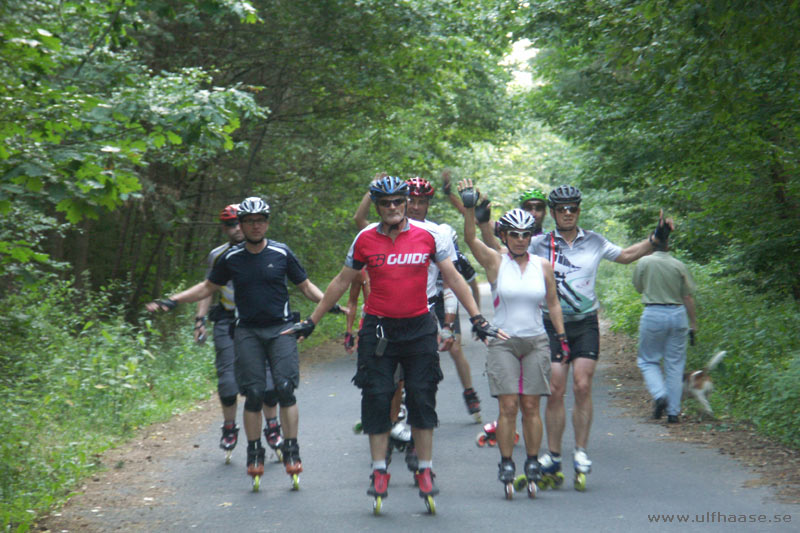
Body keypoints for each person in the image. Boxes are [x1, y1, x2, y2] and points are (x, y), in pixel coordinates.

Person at [282, 176, 506, 513]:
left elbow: (453, 277)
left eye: (397, 202)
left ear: (405, 203)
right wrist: (312, 321)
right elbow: (342, 281)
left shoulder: (428, 236)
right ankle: (379, 471)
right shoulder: (364, 238)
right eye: (385, 203)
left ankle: (426, 469)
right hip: (379, 329)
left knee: (421, 395)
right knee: (377, 396)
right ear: (377, 206)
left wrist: (477, 318)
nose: (392, 208)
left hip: (418, 327)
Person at [146, 196, 335, 490]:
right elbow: (207, 288)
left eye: (260, 220)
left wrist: (330, 304)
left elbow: (306, 286)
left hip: (281, 330)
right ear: (242, 225)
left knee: (285, 389)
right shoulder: (230, 259)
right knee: (254, 393)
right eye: (249, 221)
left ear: (267, 223)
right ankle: (254, 450)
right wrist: (173, 301)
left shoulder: (281, 253)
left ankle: (292, 447)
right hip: (246, 331)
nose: (255, 226)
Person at [527, 185, 672, 491]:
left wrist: (655, 239)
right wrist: (480, 220)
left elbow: (627, 255)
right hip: (550, 323)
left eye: (573, 208)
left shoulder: (593, 240)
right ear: (553, 213)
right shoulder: (539, 243)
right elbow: (501, 253)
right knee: (554, 389)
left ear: (579, 210)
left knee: (582, 384)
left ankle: (580, 451)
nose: (568, 213)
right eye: (562, 209)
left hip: (585, 323)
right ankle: (553, 455)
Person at [459, 179, 568, 498]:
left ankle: (532, 462)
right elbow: (469, 238)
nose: (520, 240)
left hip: (536, 340)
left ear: (531, 236)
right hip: (503, 342)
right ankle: (507, 463)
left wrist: (561, 337)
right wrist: (469, 208)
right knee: (508, 406)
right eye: (514, 235)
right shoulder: (496, 261)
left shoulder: (542, 265)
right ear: (504, 236)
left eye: (526, 234)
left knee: (531, 405)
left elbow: (552, 303)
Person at [353, 176, 484, 422]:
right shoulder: (385, 228)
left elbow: (453, 282)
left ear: (428, 205)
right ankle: (394, 418)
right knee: (397, 371)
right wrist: (371, 191)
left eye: (420, 202)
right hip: (399, 305)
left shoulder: (438, 233)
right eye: (410, 201)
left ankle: (468, 391)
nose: (414, 207)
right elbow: (360, 222)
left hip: (434, 300)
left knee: (452, 346)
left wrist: (450, 323)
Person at [192, 204, 283, 462]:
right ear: (225, 228)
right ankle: (230, 427)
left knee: (266, 381)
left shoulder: (266, 251)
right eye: (230, 225)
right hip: (229, 321)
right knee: (228, 381)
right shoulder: (218, 256)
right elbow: (207, 288)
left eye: (238, 223)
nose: (236, 229)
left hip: (260, 320)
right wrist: (200, 320)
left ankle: (273, 426)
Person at [633, 233, 696, 423]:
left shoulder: (644, 262)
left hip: (653, 313)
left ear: (651, 244)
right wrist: (693, 324)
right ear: (668, 244)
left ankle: (660, 395)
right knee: (675, 365)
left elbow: (638, 287)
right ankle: (673, 413)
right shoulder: (678, 265)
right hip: (678, 314)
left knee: (648, 360)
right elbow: (688, 297)